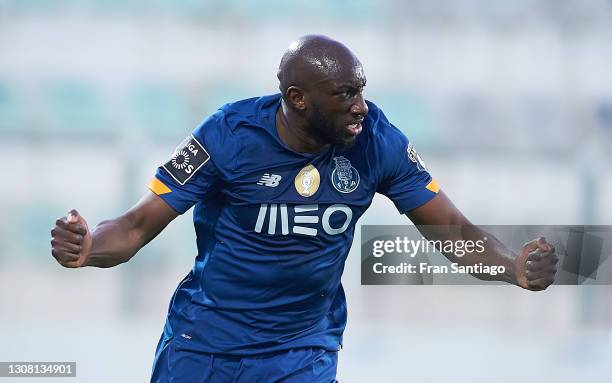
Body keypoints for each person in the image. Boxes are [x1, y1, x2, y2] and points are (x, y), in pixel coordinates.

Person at [50, 35, 558, 382]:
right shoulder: (226, 135)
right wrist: (90, 246)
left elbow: (452, 229)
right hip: (204, 343)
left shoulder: (378, 142)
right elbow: (137, 225)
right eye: (345, 94)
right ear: (296, 99)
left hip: (301, 349)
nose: (361, 105)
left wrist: (513, 267)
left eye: (362, 90)